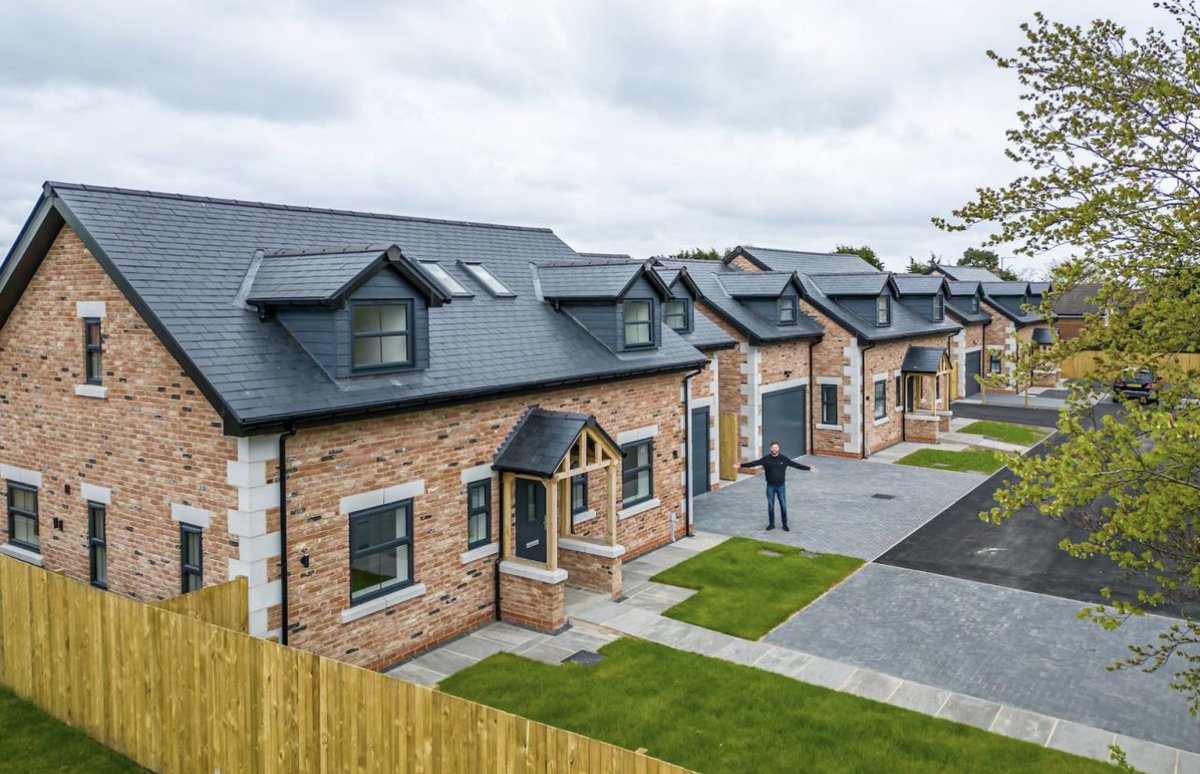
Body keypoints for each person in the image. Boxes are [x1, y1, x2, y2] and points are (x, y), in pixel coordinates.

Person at [740, 442, 817, 531]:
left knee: (783, 505)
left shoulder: (783, 458)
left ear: (778, 449)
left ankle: (785, 524)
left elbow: (795, 465)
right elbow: (754, 463)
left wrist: (809, 468)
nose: (774, 449)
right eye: (773, 447)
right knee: (770, 505)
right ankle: (771, 524)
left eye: (776, 447)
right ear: (770, 449)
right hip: (770, 487)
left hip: (781, 487)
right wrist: (741, 465)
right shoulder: (766, 459)